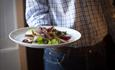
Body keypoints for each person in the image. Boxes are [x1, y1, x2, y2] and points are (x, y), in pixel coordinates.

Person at [25, 0, 115, 70]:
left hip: (99, 51)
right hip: (60, 55)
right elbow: (35, 11)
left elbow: (108, 9)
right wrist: (46, 33)